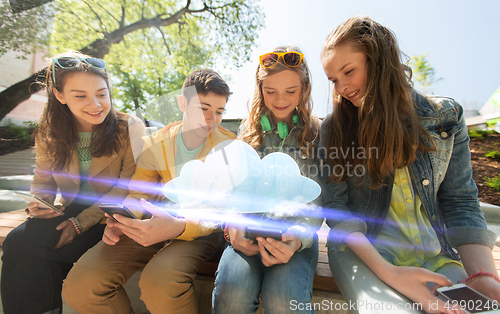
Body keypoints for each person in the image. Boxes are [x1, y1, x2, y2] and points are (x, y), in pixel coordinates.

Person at [320, 16, 500, 314]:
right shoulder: (335, 128)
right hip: (367, 253)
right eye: (333, 80)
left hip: (436, 255)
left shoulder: (446, 117)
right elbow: (338, 211)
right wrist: (390, 273)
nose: (341, 88)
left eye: (348, 71)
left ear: (379, 60)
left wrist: (482, 277)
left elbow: (461, 202)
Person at [62, 69, 236, 314]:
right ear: (182, 103)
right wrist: (123, 220)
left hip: (202, 228)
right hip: (154, 220)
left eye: (219, 112)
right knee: (82, 285)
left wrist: (179, 225)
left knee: (159, 282)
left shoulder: (229, 147)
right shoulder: (156, 143)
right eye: (204, 108)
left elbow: (223, 207)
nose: (212, 119)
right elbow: (139, 193)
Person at [1, 51, 143, 314]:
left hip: (108, 213)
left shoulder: (128, 127)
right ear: (59, 95)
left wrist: (81, 223)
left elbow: (126, 187)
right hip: (68, 206)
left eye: (102, 94)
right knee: (17, 242)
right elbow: (43, 178)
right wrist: (40, 203)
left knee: (50, 252)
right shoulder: (49, 130)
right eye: (81, 96)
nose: (96, 104)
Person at [212, 47, 324, 314]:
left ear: (304, 89)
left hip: (295, 236)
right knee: (232, 295)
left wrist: (297, 238)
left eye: (291, 91)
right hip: (248, 230)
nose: (280, 100)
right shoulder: (247, 130)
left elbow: (318, 200)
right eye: (270, 91)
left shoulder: (317, 133)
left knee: (283, 301)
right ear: (260, 88)